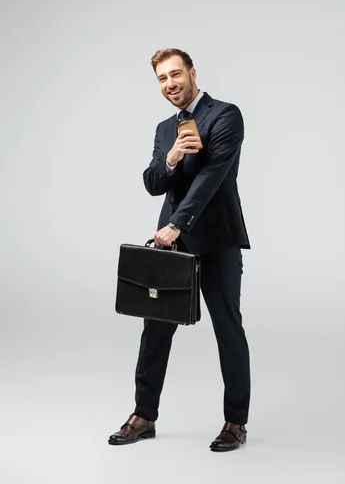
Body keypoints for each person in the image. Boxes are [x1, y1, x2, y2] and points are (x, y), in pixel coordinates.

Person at [108, 48, 251, 452]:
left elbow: (211, 177)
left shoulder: (225, 115)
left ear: (192, 72)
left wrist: (175, 224)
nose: (170, 84)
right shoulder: (163, 129)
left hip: (217, 241)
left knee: (228, 329)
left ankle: (235, 422)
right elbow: (153, 181)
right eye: (161, 78)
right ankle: (144, 415)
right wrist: (170, 159)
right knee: (154, 331)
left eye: (175, 74)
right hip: (171, 246)